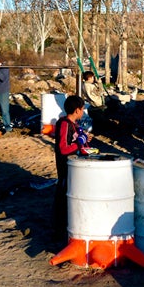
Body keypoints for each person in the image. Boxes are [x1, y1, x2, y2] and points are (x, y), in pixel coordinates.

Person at [53, 95, 88, 246]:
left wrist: (84, 141)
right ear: (76, 110)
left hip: (74, 166)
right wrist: (78, 145)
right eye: (82, 109)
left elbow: (75, 140)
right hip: (65, 166)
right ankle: (59, 228)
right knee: (63, 194)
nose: (83, 111)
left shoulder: (73, 125)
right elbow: (63, 148)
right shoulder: (64, 124)